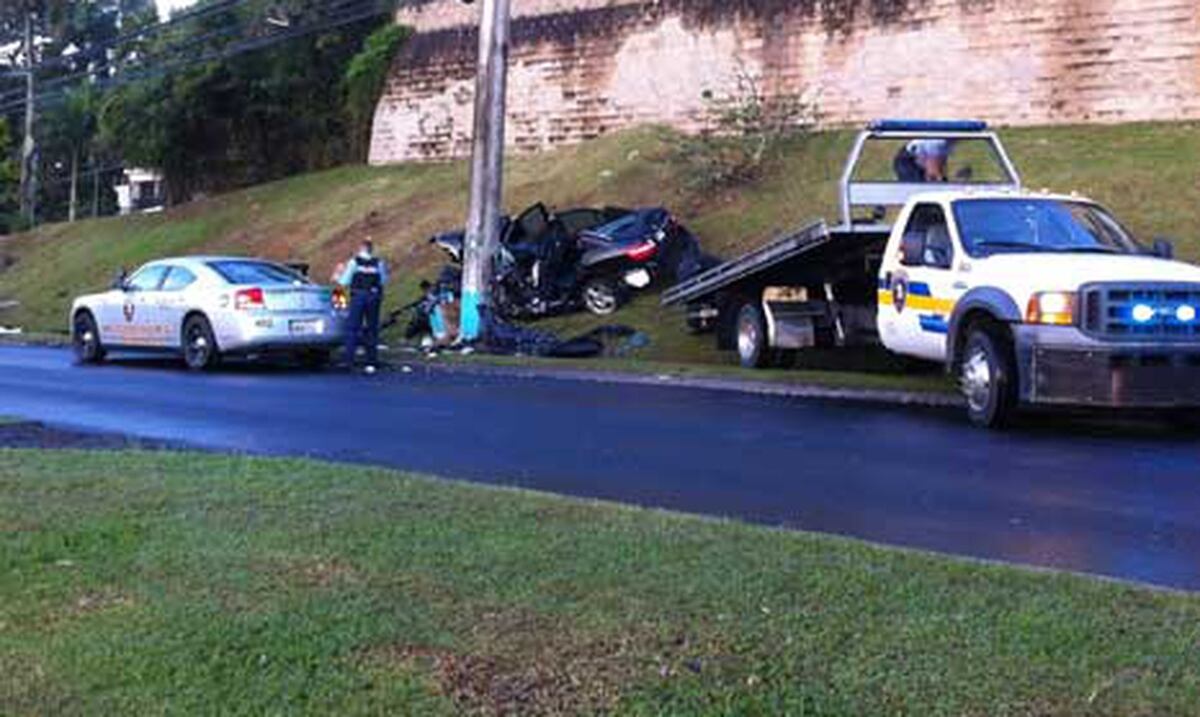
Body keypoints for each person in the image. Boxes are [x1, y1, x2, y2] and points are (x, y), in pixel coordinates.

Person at [338, 239, 388, 373]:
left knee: (352, 328)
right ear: (372, 249)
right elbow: (383, 280)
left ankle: (349, 360)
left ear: (360, 248)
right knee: (372, 328)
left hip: (358, 296)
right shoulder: (379, 263)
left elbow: (344, 281)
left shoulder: (354, 262)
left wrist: (338, 274)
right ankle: (372, 359)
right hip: (373, 296)